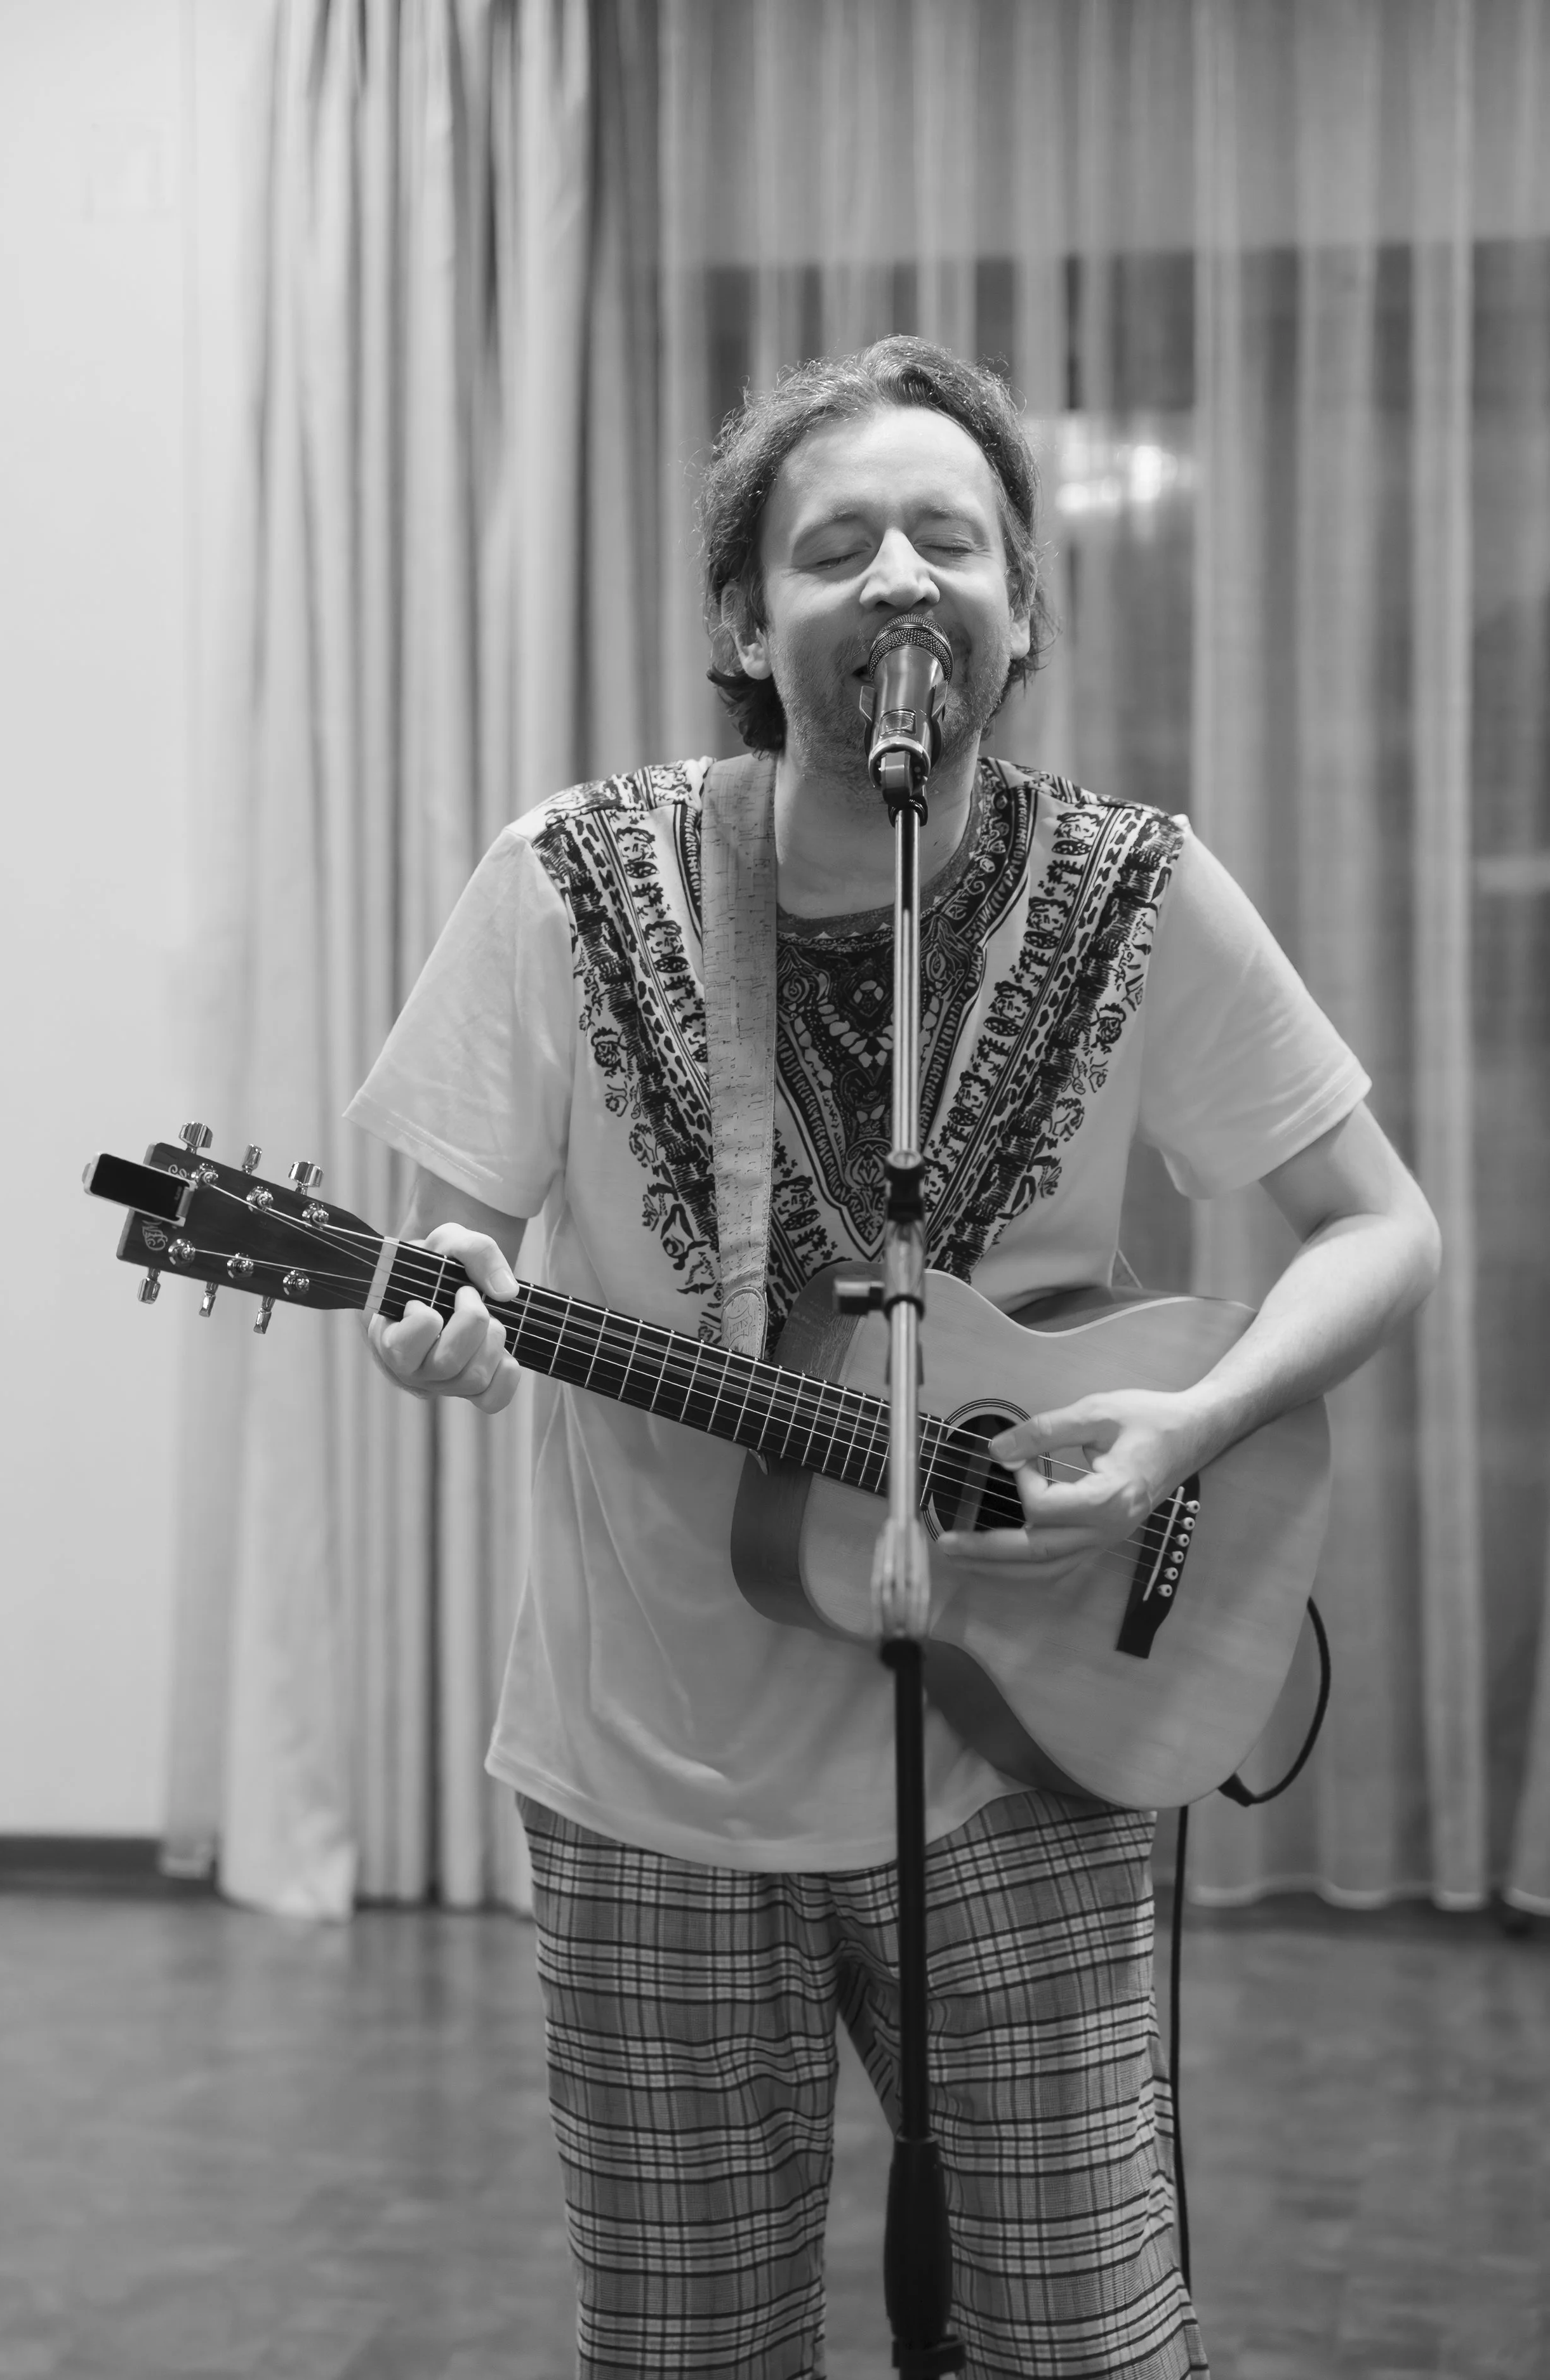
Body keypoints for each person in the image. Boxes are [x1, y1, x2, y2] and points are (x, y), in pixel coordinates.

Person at [347, 338, 1440, 2379]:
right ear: (739, 623)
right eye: (832, 543)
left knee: (1079, 2347)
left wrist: (1193, 1418)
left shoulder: (1134, 890)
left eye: (951, 536)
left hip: (1018, 1779)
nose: (899, 578)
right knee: (687, 2354)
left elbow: (1382, 1226)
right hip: (640, 1778)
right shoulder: (567, 883)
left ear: (1023, 609)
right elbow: (463, 1235)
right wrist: (446, 1311)